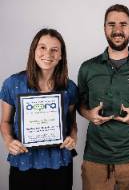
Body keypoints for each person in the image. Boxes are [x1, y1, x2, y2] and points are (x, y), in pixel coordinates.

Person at [78, 4, 129, 190]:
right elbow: (79, 104)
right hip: (95, 159)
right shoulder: (88, 68)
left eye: (123, 24)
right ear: (104, 28)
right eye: (111, 24)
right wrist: (88, 114)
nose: (117, 30)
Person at [0, 28, 78, 190]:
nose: (48, 54)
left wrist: (72, 137)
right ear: (33, 50)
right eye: (42, 47)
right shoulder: (13, 83)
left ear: (61, 55)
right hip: (24, 161)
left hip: (59, 163)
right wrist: (9, 141)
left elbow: (72, 122)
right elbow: (5, 121)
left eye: (54, 50)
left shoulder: (69, 87)